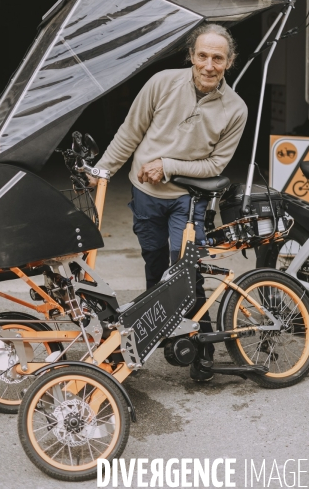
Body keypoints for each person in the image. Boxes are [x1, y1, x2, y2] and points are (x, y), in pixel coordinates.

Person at [88, 23, 247, 381]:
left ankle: (201, 348)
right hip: (144, 192)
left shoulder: (235, 109)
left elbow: (215, 165)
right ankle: (148, 337)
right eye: (202, 55)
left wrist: (168, 167)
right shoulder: (162, 83)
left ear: (229, 62)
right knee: (155, 262)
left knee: (184, 270)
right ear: (191, 55)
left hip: (189, 197)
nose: (209, 65)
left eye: (217, 58)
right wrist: (103, 170)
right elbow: (131, 131)